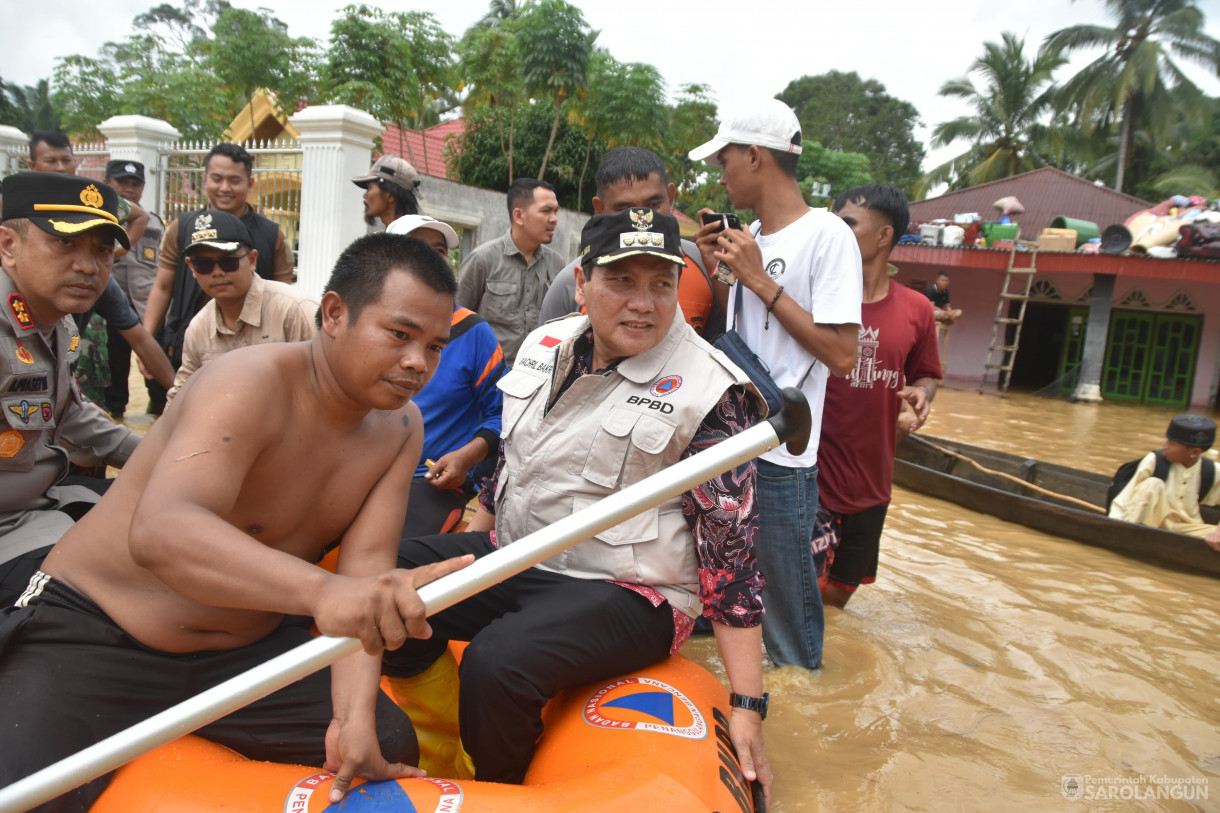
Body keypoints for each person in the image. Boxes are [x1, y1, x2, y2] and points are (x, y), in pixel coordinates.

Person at [0, 232, 474, 813]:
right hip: (97, 634)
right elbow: (163, 532)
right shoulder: (246, 382)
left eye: (434, 347)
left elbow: (367, 572)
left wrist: (353, 719)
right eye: (399, 335)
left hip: (238, 657)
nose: (416, 363)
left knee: (379, 743)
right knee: (17, 791)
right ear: (333, 313)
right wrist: (324, 591)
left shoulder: (402, 429)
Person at [383, 208, 773, 803]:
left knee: (498, 662)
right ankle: (443, 742)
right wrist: (475, 542)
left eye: (661, 284)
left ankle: (498, 789)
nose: (643, 303)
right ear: (583, 281)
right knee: (388, 575)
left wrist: (747, 706)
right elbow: (513, 460)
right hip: (521, 554)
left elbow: (732, 558)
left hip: (630, 590)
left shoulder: (710, 391)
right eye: (622, 281)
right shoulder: (544, 343)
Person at [691, 97, 861, 671]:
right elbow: (743, 339)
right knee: (733, 591)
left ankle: (809, 702)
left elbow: (841, 354)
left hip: (782, 455)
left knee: (789, 612)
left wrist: (759, 279)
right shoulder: (754, 236)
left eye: (725, 161)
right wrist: (721, 267)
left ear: (755, 156)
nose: (721, 174)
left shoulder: (827, 235)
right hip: (735, 441)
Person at [0, 172, 140, 606]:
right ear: (8, 246)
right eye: (64, 243)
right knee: (111, 603)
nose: (88, 266)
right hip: (9, 530)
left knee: (169, 523)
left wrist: (166, 457)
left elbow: (73, 414)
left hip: (43, 501)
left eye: (102, 250)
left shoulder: (56, 322)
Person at [818, 185, 942, 609]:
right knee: (800, 599)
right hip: (811, 480)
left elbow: (926, 374)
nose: (836, 230)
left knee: (836, 601)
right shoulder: (816, 298)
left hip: (872, 484)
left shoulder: (918, 309)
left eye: (848, 222)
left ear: (884, 236)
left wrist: (922, 396)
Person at [142, 143, 296, 413]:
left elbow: (283, 293)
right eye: (217, 178)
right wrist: (146, 342)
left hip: (249, 352)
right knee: (174, 413)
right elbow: (163, 286)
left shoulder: (271, 235)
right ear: (205, 180)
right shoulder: (182, 227)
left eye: (234, 180)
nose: (224, 187)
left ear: (249, 183)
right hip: (184, 345)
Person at [387, 214, 505, 536]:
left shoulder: (472, 331)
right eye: (417, 248)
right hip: (364, 470)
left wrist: (466, 457)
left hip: (430, 483)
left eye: (439, 251)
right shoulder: (369, 323)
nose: (432, 260)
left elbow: (503, 413)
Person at [537, 146, 724, 338]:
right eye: (625, 209)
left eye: (653, 205)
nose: (642, 220)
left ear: (670, 197)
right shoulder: (572, 281)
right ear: (600, 208)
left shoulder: (707, 269)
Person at [165, 211, 317, 403]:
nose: (217, 272)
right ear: (192, 268)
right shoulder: (199, 328)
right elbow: (181, 398)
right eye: (204, 264)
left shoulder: (294, 311)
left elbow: (327, 386)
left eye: (228, 262)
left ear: (252, 260)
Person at [456, 178, 563, 365]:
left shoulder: (557, 265)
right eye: (546, 211)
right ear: (519, 216)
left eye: (555, 211)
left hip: (538, 376)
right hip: (489, 376)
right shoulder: (482, 260)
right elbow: (456, 321)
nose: (554, 219)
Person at [103, 159, 165, 418]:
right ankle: (114, 417)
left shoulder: (155, 223)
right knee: (113, 369)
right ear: (107, 184)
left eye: (135, 184)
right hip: (110, 309)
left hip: (147, 308)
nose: (129, 189)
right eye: (122, 183)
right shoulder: (100, 220)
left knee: (156, 370)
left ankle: (160, 412)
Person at [1109, 415, 1220, 549]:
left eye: (1172, 443)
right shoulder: (1154, 461)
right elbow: (1123, 500)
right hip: (1150, 521)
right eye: (1167, 440)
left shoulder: (1213, 470)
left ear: (1194, 452)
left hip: (1187, 527)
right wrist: (1115, 529)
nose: (1164, 446)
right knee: (1152, 484)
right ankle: (1131, 533)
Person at [352, 155, 424, 229]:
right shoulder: (389, 237)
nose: (364, 196)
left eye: (369, 188)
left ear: (390, 194)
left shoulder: (414, 236)